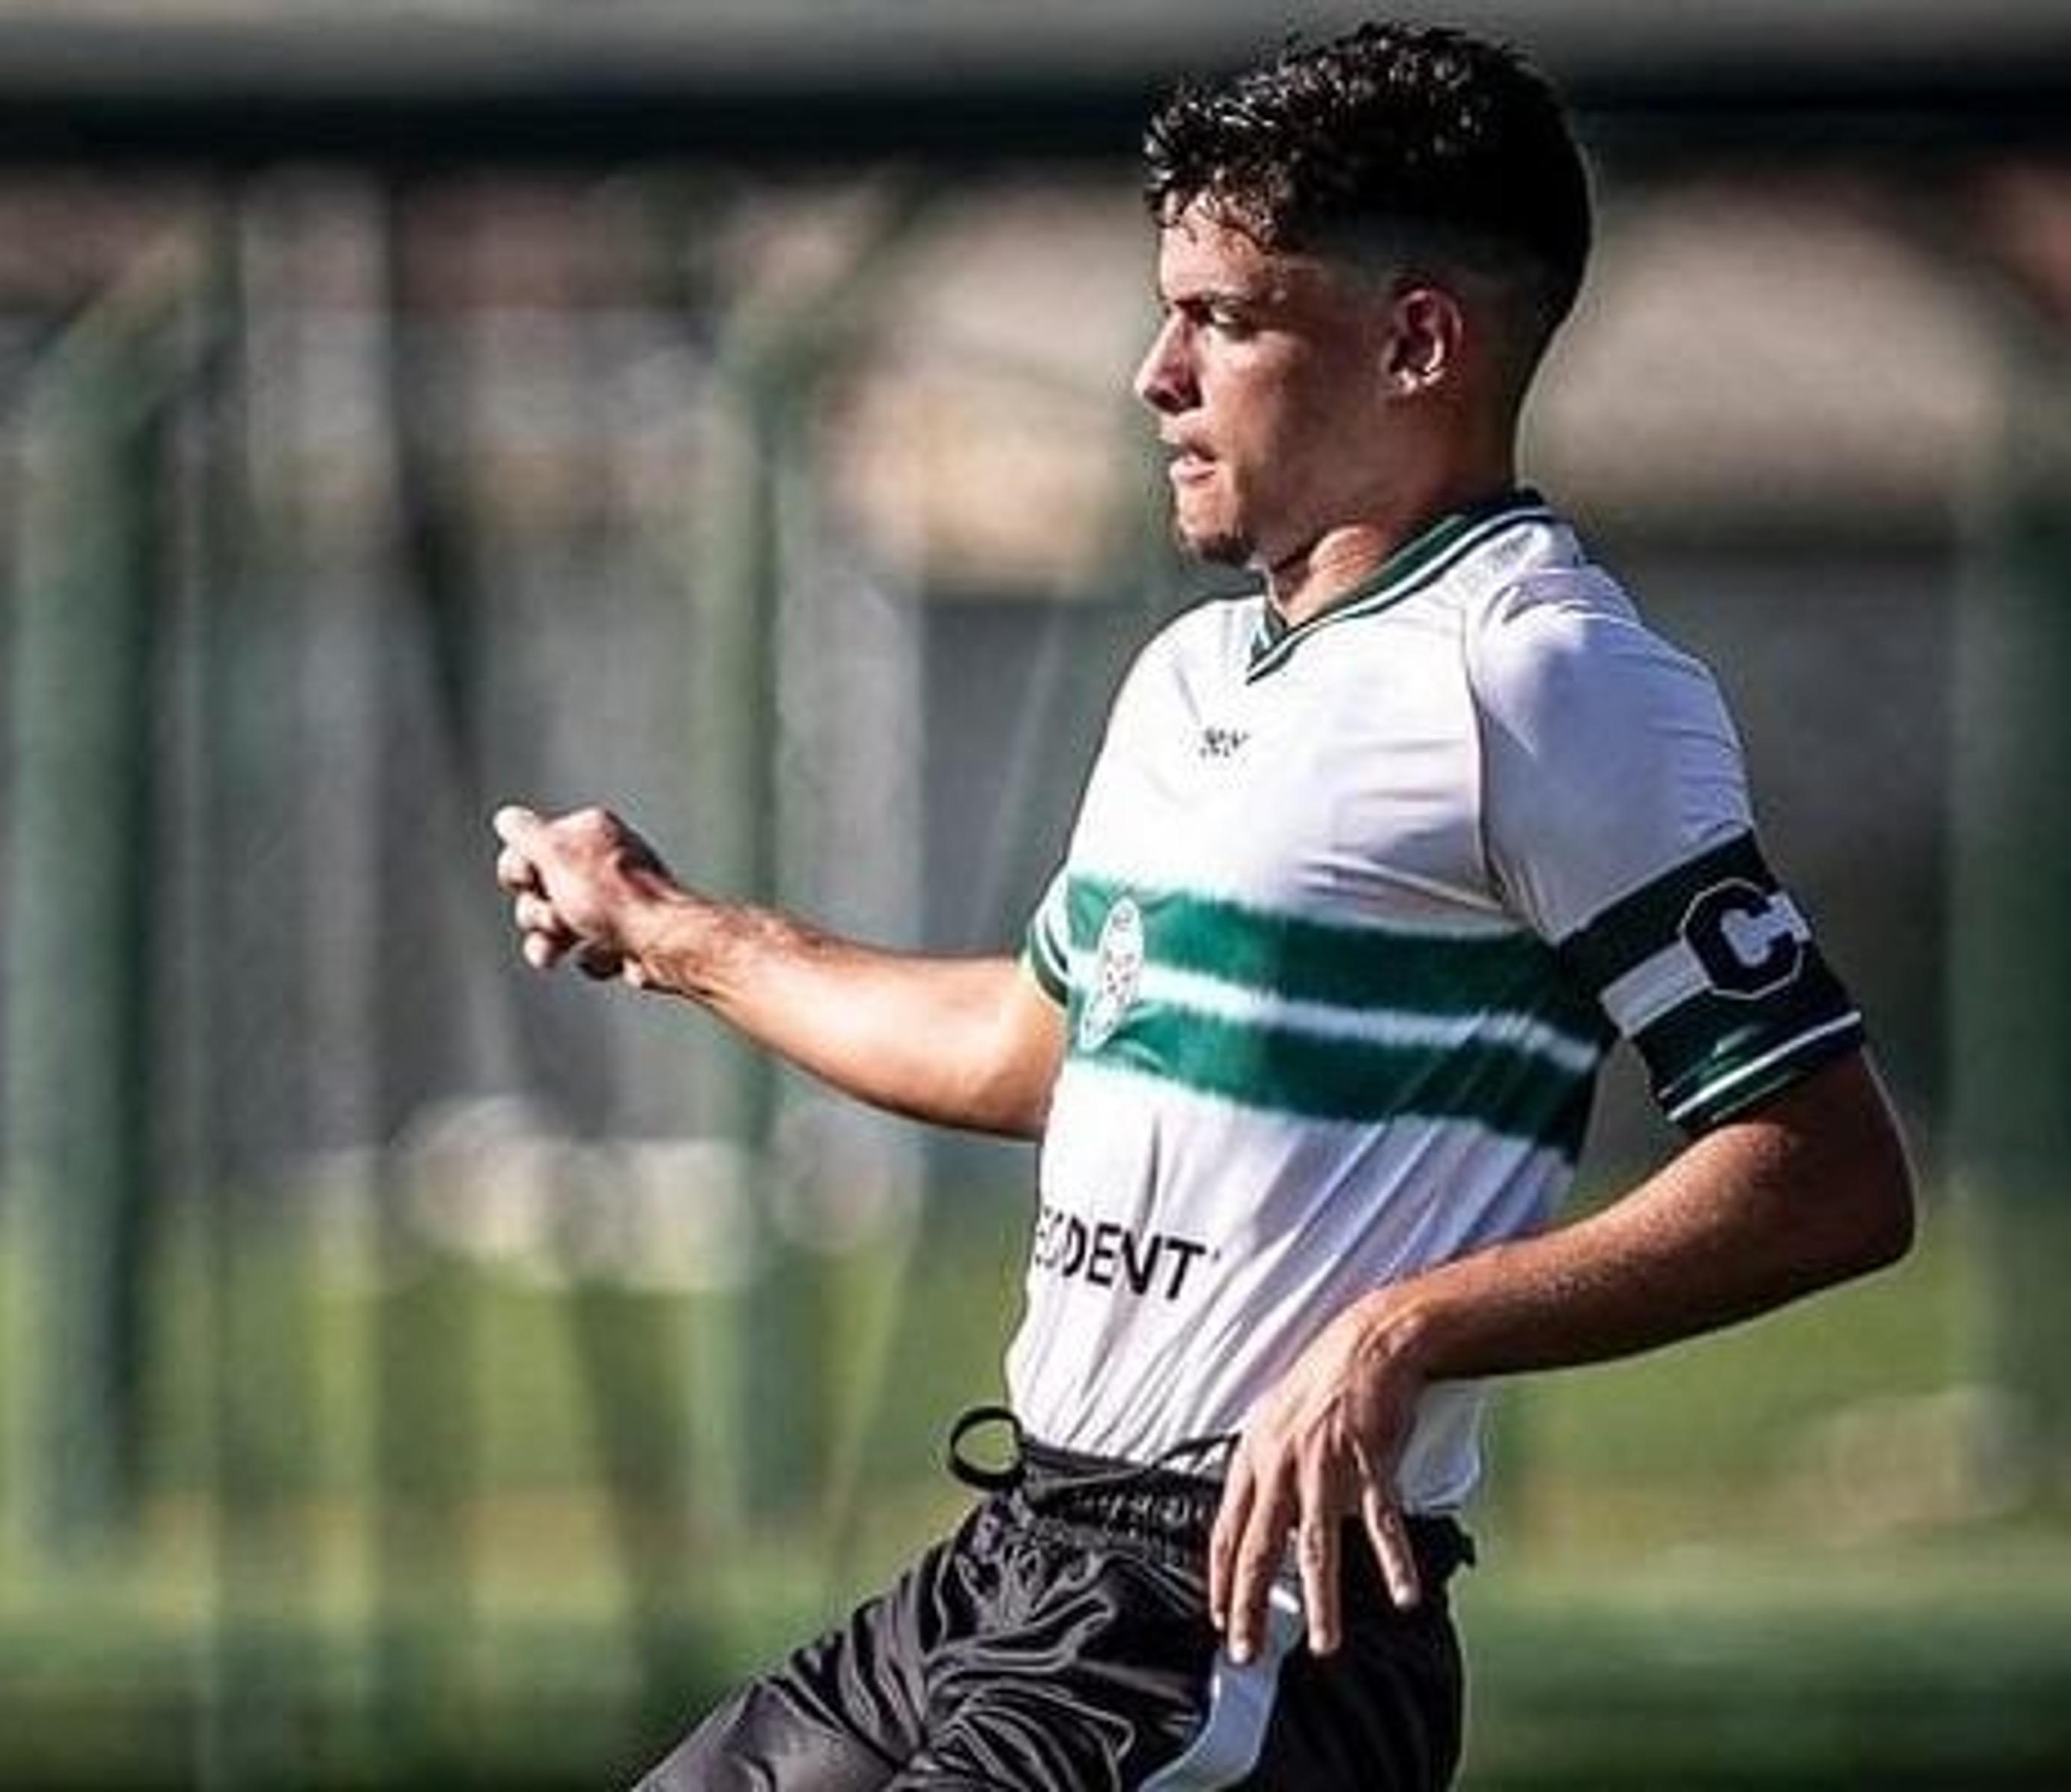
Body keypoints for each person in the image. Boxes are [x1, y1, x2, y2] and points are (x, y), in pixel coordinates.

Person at [490, 20, 1916, 1790]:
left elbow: (1831, 1169)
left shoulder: (1541, 678)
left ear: (1414, 341)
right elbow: (1035, 1046)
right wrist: (674, 930)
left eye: (1227, 319)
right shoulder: (1189, 676)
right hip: (1019, 1564)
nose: (1155, 374)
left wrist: (1409, 1325)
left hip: (1248, 1609)